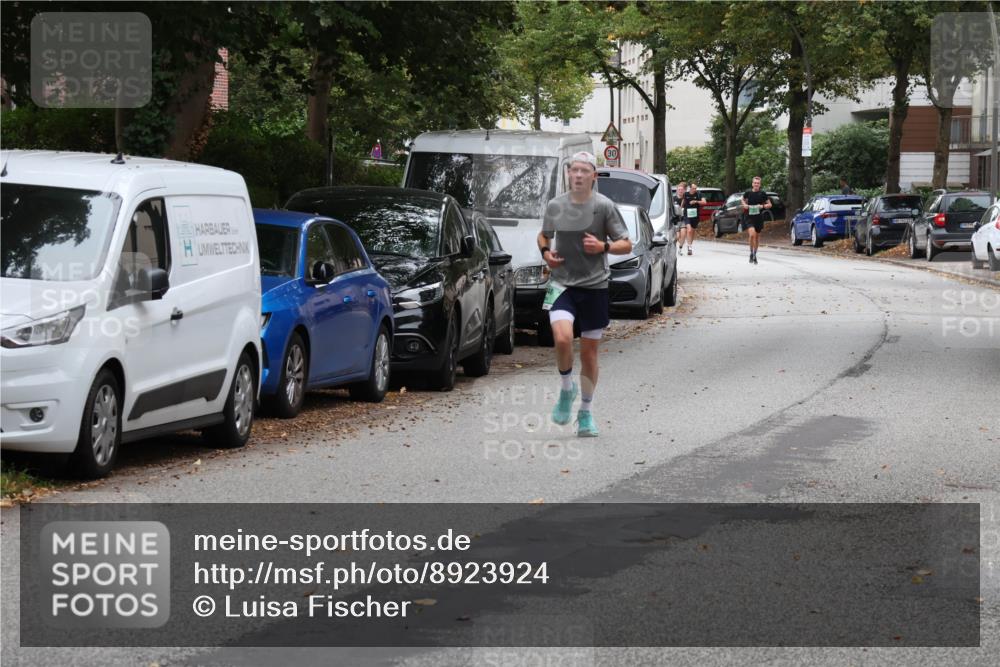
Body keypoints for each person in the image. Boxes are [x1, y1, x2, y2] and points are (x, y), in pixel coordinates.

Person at [537, 151, 632, 437]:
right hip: (562, 284)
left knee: (589, 354)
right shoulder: (556, 205)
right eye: (574, 170)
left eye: (584, 170)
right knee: (562, 338)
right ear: (568, 174)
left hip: (595, 286)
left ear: (593, 175)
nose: (578, 175)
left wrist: (603, 247)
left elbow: (626, 244)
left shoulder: (604, 206)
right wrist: (546, 254)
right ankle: (567, 389)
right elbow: (544, 235)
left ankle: (586, 413)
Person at [741, 175, 772, 265]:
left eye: (758, 183)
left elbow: (770, 204)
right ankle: (751, 252)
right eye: (755, 183)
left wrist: (762, 206)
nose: (756, 184)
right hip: (749, 216)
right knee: (752, 235)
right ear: (752, 184)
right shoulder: (748, 193)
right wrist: (744, 205)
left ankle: (754, 254)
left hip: (758, 217)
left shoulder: (762, 194)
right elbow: (742, 199)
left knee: (757, 237)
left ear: (760, 184)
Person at [681, 183, 707, 255]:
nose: (694, 189)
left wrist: (696, 201)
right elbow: (683, 203)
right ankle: (689, 248)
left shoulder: (699, 194)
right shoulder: (686, 194)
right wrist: (680, 209)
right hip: (687, 215)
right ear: (690, 188)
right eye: (693, 188)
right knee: (689, 230)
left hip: (695, 216)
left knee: (692, 232)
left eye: (695, 188)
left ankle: (689, 246)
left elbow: (704, 202)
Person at [673, 181, 687, 250]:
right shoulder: (673, 199)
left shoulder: (686, 199)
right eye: (679, 189)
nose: (680, 191)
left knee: (683, 233)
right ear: (677, 190)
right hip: (675, 220)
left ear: (684, 190)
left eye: (682, 189)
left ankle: (680, 248)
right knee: (678, 236)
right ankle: (674, 246)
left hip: (683, 219)